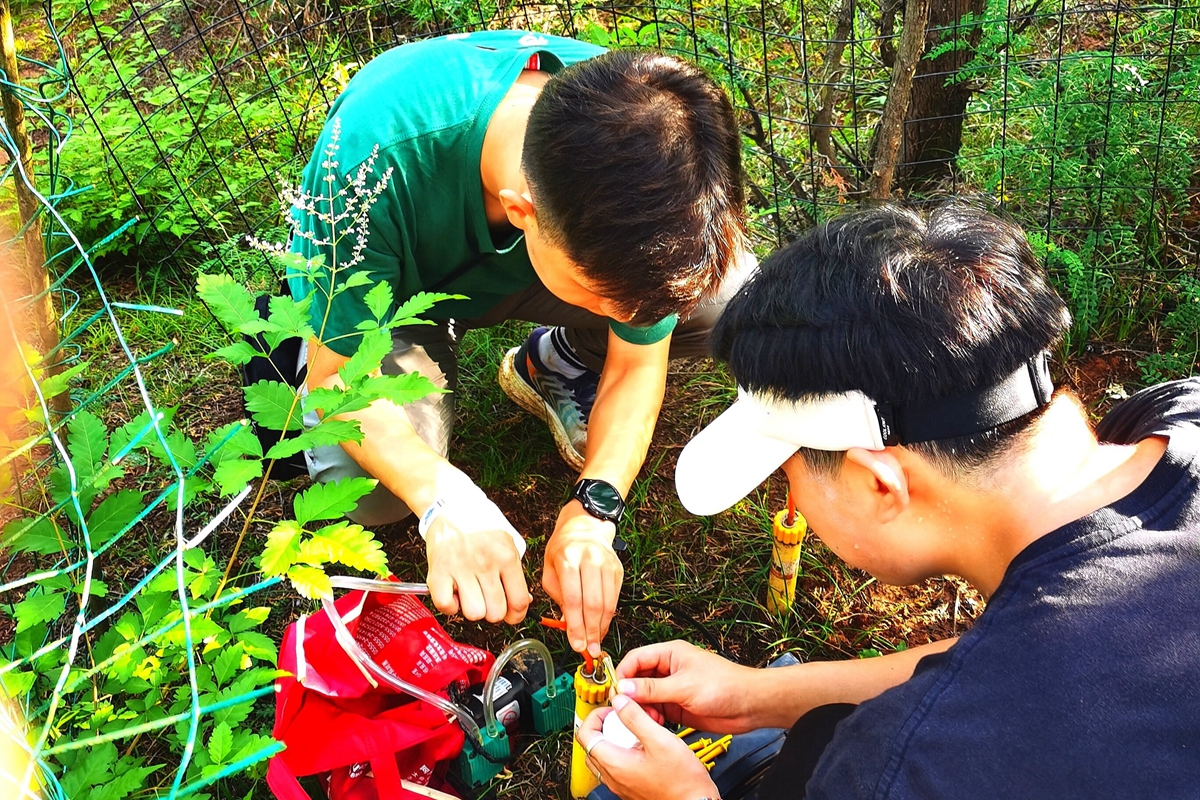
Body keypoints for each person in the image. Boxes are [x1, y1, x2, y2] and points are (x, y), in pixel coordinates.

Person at [576, 202, 1200, 799]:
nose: (789, 498)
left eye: (785, 476)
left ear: (880, 483)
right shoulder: (1178, 417)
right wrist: (756, 694)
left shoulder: (907, 768)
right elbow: (1008, 659)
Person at [286, 30, 751, 655]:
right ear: (521, 209)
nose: (629, 322)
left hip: (546, 258)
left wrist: (596, 509)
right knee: (368, 493)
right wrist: (440, 496)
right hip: (391, 299)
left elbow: (638, 360)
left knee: (735, 300)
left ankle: (554, 361)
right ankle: (311, 323)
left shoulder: (648, 137)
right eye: (606, 299)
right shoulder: (370, 161)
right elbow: (339, 381)